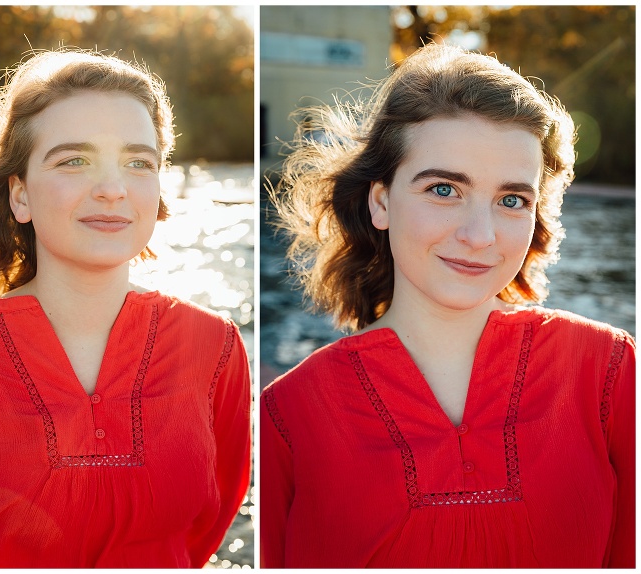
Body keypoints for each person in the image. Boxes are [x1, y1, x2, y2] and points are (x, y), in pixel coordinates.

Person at [260, 43, 634, 568]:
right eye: (443, 189)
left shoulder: (609, 372)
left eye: (511, 200)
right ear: (381, 200)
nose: (481, 236)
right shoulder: (290, 415)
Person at [0, 48, 251, 568]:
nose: (113, 189)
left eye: (138, 162)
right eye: (74, 160)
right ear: (20, 196)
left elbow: (200, 533)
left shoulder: (215, 350)